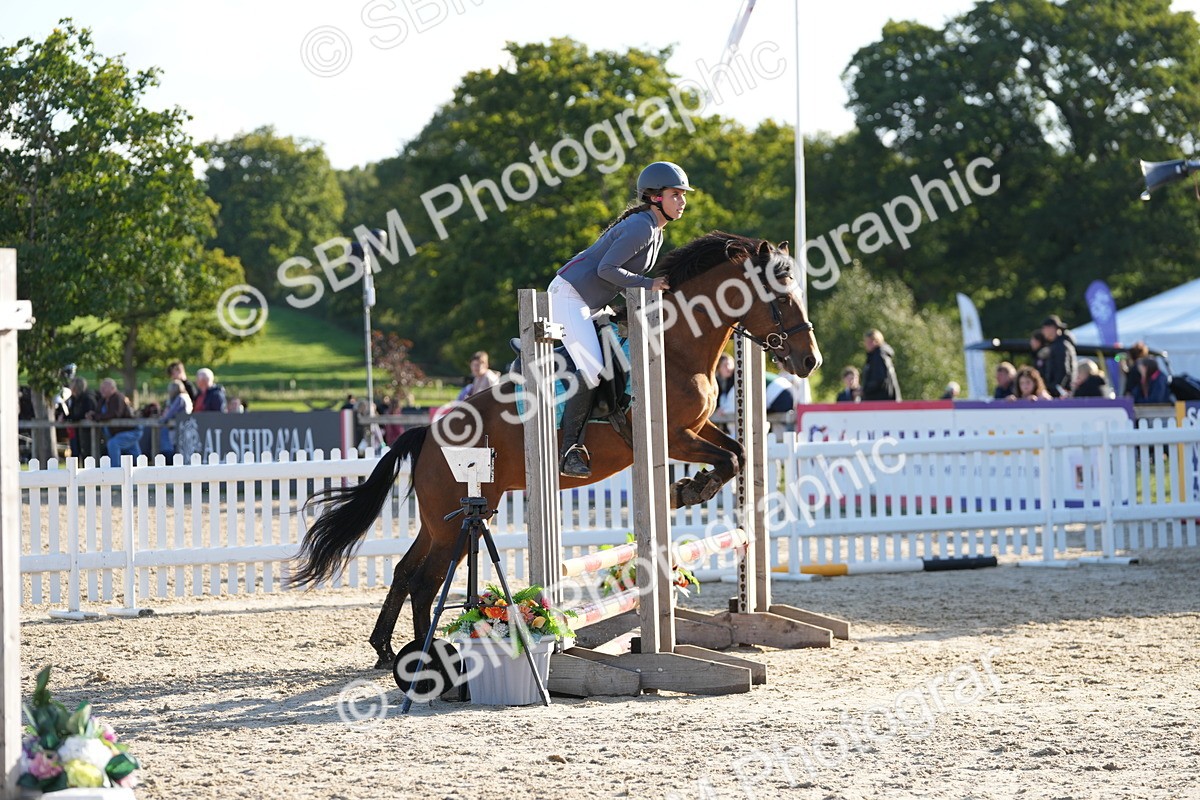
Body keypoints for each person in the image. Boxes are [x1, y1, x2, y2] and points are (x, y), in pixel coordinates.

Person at [548, 161, 687, 478]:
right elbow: (606, 271)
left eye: (682, 195)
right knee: (594, 368)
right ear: (655, 197)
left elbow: (620, 279)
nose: (682, 201)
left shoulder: (654, 231)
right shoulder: (641, 227)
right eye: (675, 194)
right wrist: (649, 285)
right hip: (571, 296)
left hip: (591, 301)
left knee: (618, 349)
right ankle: (570, 450)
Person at [88, 378, 142, 463]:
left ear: (112, 388)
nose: (101, 390)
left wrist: (95, 416)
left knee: (113, 444)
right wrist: (92, 415)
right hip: (120, 432)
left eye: (104, 388)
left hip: (131, 431)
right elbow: (98, 413)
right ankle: (142, 471)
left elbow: (114, 414)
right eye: (101, 387)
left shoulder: (118, 398)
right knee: (135, 455)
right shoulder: (103, 400)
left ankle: (115, 470)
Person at [1040, 315, 1076, 398]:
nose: (1043, 332)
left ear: (1052, 328)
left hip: (1060, 394)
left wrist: (1056, 389)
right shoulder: (1059, 344)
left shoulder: (1060, 346)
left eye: (1044, 328)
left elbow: (1063, 371)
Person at [861, 329, 901, 401]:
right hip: (886, 398)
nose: (868, 344)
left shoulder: (878, 356)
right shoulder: (879, 355)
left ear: (878, 341)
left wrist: (864, 390)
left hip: (880, 399)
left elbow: (880, 379)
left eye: (871, 341)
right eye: (867, 342)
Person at [159, 379, 193, 459]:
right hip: (185, 428)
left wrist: (162, 420)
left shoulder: (180, 398)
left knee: (175, 451)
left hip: (179, 429)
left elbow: (171, 412)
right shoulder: (186, 396)